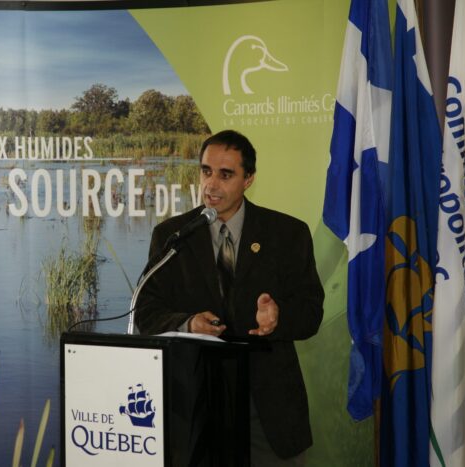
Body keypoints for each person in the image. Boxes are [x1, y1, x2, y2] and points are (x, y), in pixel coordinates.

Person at [135, 130, 324, 466]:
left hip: (267, 407)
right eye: (206, 171)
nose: (211, 185)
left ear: (249, 179)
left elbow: (310, 312)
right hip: (195, 405)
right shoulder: (172, 236)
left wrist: (279, 316)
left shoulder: (287, 234)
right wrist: (188, 323)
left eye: (226, 175)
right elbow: (146, 312)